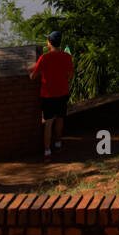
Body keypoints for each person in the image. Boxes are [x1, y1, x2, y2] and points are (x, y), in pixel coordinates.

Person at [28, 31, 74, 159]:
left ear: (49, 42)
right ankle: (58, 144)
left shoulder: (44, 58)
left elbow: (33, 76)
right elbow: (69, 75)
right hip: (63, 92)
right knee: (60, 119)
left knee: (48, 123)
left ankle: (47, 151)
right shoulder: (67, 56)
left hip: (48, 94)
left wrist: (29, 70)